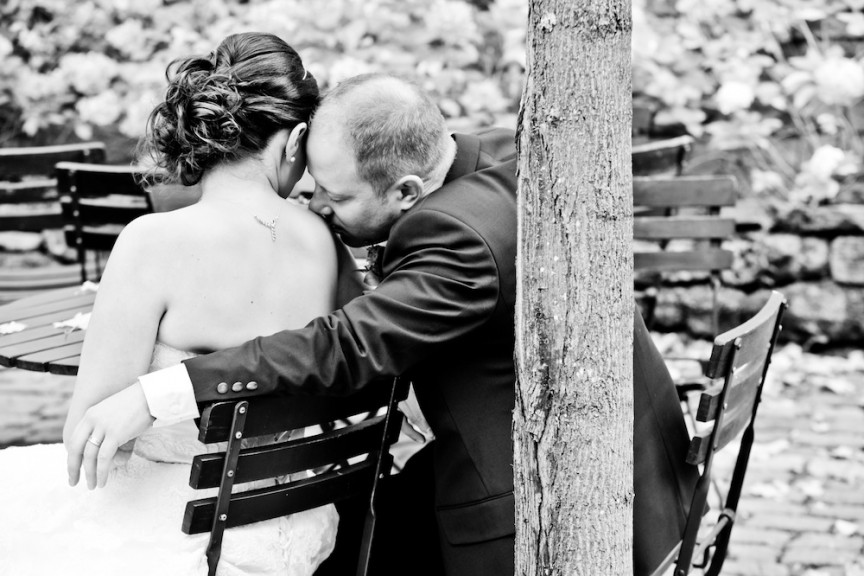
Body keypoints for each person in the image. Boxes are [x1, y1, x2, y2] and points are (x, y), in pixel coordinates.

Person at [67, 73, 699, 576]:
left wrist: (161, 391)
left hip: (557, 508)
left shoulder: (454, 235)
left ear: (406, 191)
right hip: (646, 463)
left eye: (336, 199)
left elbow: (346, 348)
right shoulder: (500, 155)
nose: (315, 206)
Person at [0, 32, 345, 576]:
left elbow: (90, 442)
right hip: (294, 518)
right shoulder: (328, 241)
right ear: (298, 136)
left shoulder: (151, 242)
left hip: (184, 527)